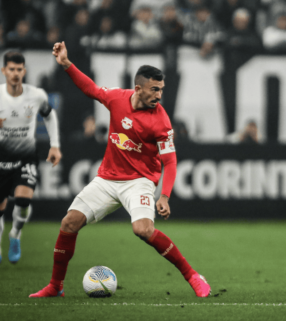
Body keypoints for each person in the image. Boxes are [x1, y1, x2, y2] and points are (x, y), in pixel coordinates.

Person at [29, 41, 211, 298]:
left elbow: (169, 161)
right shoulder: (117, 98)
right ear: (138, 88)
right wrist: (67, 64)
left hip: (139, 181)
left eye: (161, 90)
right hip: (107, 178)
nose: (159, 95)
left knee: (143, 230)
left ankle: (193, 276)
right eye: (154, 90)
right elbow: (90, 89)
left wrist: (165, 195)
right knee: (69, 223)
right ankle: (55, 286)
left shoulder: (161, 121)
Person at [0, 51, 62, 264]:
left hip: (25, 157)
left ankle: (15, 235)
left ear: (24, 71)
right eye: (11, 69)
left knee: (23, 200)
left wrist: (55, 146)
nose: (15, 73)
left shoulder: (36, 95)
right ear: (4, 71)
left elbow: (49, 115)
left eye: (19, 69)